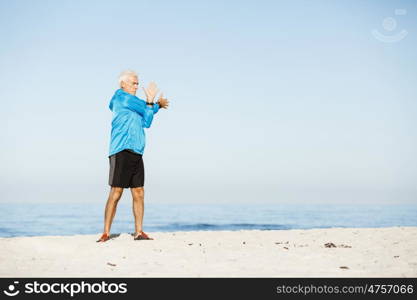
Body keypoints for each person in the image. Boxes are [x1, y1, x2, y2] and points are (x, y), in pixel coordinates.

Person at [96, 70, 169, 242]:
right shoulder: (121, 97)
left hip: (137, 150)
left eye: (137, 83)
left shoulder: (135, 104)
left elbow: (147, 121)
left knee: (139, 192)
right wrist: (153, 103)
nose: (137, 86)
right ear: (123, 84)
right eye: (133, 83)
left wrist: (153, 105)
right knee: (116, 191)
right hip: (121, 150)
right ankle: (105, 233)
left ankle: (139, 232)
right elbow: (145, 108)